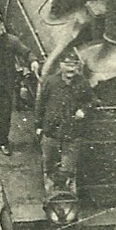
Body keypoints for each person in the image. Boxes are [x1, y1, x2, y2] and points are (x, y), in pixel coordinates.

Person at [0, 16, 40, 154]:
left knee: (5, 115)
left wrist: (33, 61)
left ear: (2, 26)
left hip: (5, 85)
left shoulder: (12, 41)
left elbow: (26, 52)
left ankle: (3, 142)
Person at [35, 55, 94, 190]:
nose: (70, 69)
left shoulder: (83, 83)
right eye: (67, 65)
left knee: (68, 167)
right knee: (49, 163)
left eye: (73, 65)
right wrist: (38, 126)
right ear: (61, 66)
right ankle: (50, 190)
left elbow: (92, 101)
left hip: (72, 132)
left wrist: (84, 110)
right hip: (51, 131)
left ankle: (67, 194)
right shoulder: (51, 82)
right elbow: (41, 104)